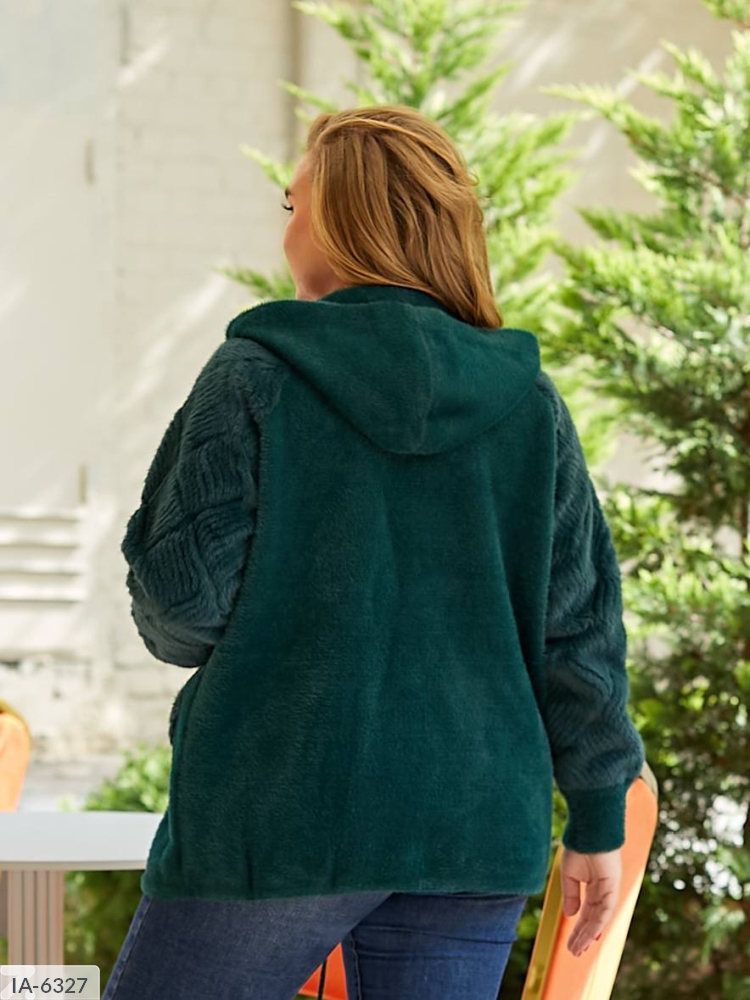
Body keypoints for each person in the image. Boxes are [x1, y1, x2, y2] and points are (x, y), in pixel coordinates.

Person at [106, 104, 646, 1000]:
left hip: (278, 819)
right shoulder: (529, 405)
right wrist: (596, 816)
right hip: (474, 825)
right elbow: (581, 633)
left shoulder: (256, 375)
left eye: (294, 207)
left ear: (343, 221)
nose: (286, 231)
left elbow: (181, 605)